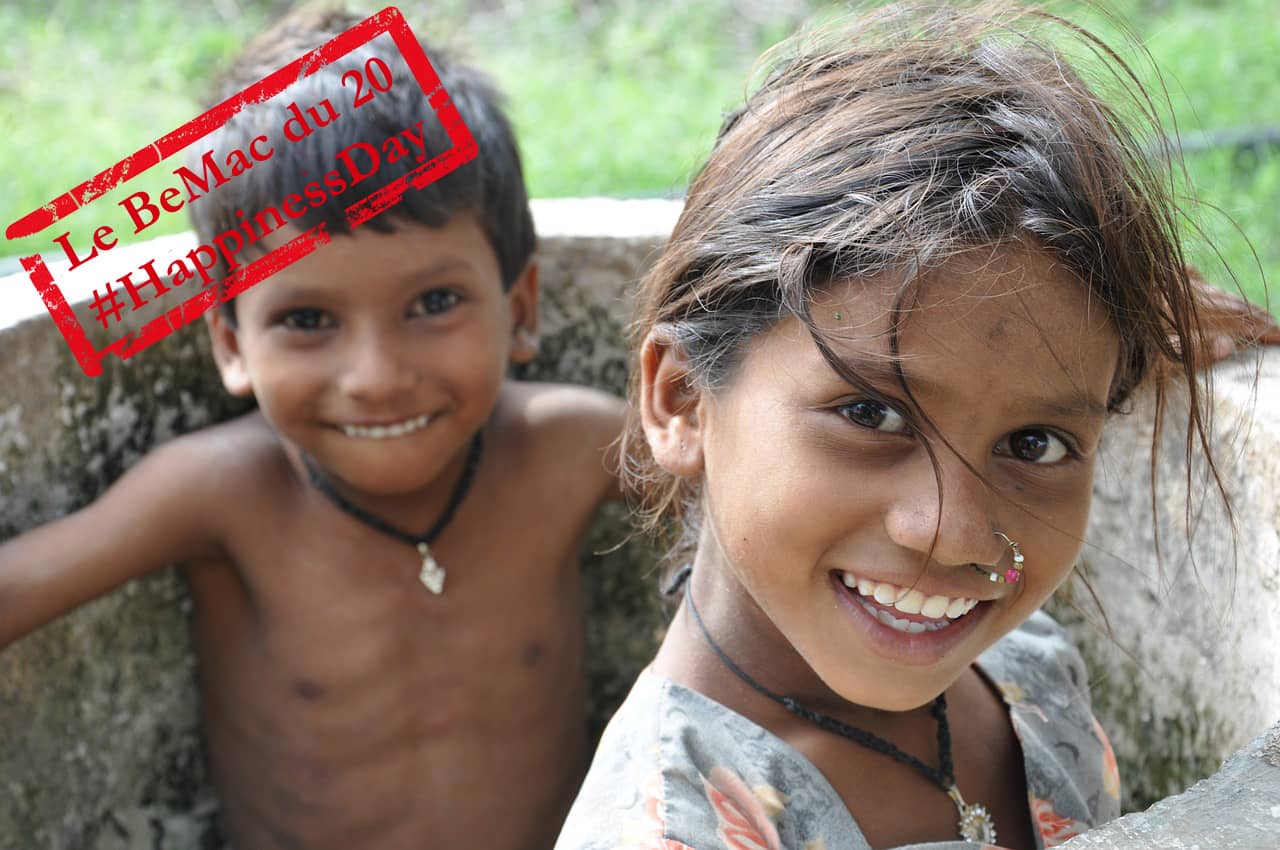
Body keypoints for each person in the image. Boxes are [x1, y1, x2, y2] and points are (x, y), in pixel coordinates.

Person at [554, 3, 1277, 849]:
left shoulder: (1019, 669)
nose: (954, 535)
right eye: (872, 415)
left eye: (1035, 442)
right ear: (681, 400)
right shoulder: (671, 829)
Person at [0, 9, 622, 850]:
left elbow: (752, 486)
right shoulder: (223, 494)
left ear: (520, 310)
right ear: (232, 344)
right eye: (305, 319)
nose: (375, 376)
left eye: (434, 303)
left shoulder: (569, 450)